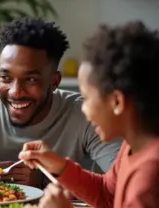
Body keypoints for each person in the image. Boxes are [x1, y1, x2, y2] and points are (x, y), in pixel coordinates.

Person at [0, 18, 121, 187]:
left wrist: (46, 179)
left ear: (54, 82)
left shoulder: (85, 116)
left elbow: (123, 183)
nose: (15, 91)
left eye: (31, 79)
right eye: (6, 78)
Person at [20, 21, 159, 208]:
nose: (83, 109)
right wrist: (58, 165)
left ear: (117, 101)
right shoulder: (132, 146)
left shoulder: (149, 175)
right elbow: (106, 194)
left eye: (86, 98)